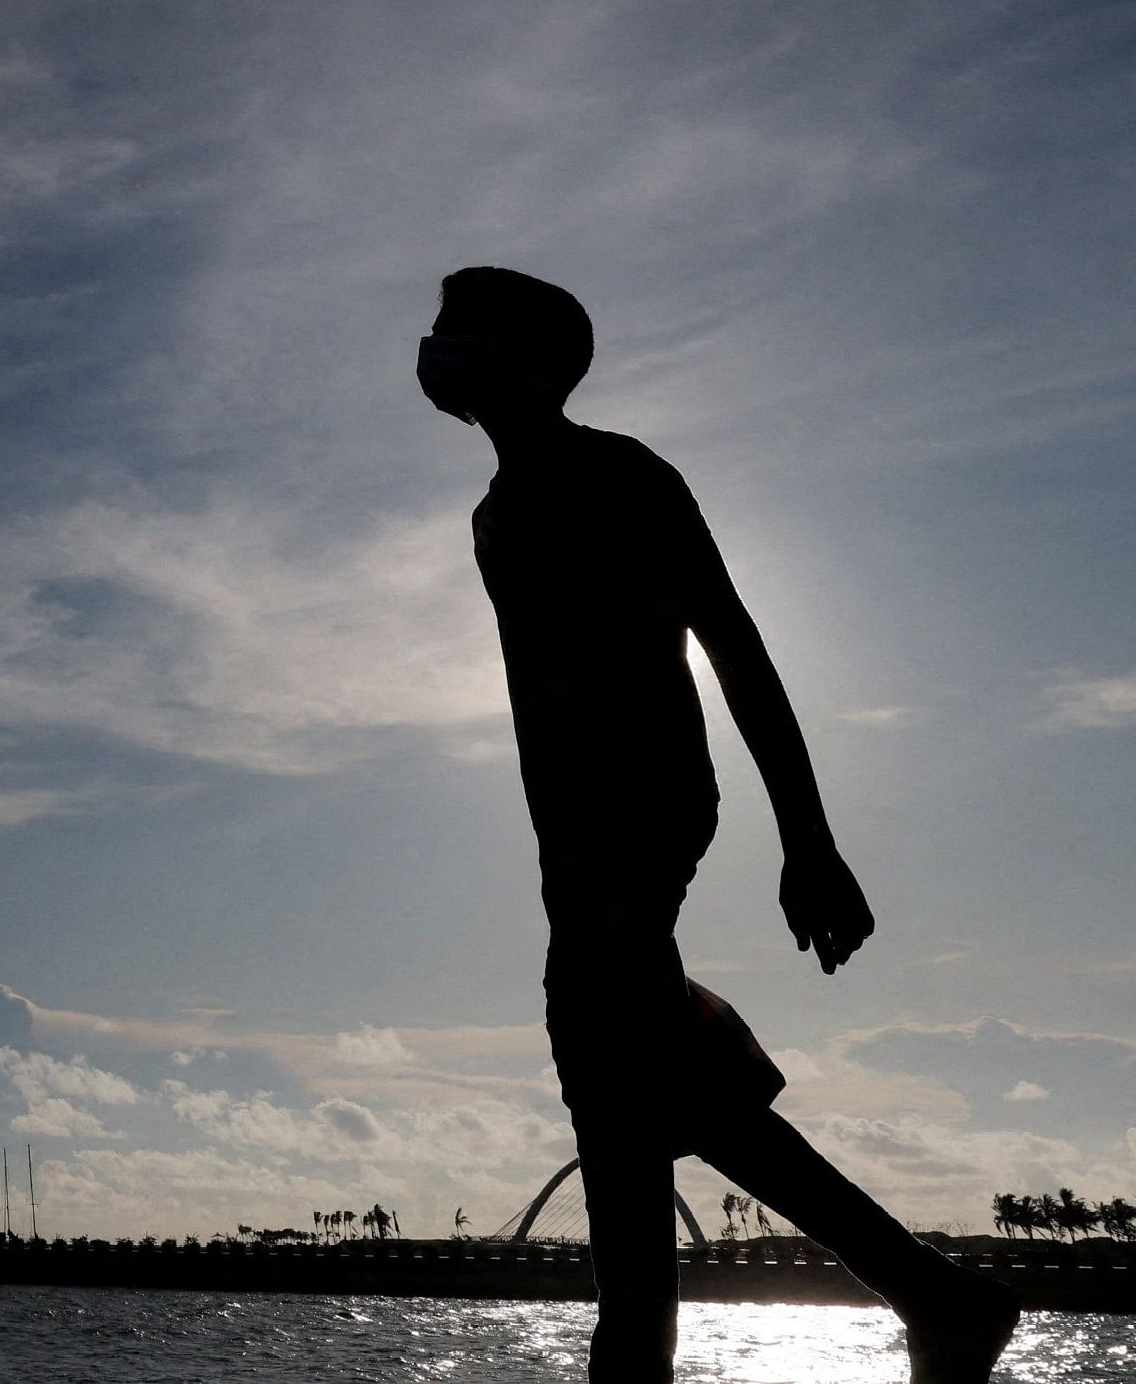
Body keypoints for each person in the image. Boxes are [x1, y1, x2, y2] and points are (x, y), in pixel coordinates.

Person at [416, 265, 1022, 1384]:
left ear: (538, 365)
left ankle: (649, 1354)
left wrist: (810, 839)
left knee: (609, 1083)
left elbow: (731, 641)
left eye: (464, 329)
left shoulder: (620, 474)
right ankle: (932, 1294)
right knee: (633, 1090)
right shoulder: (494, 512)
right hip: (574, 842)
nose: (438, 347)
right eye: (439, 328)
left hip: (644, 810)